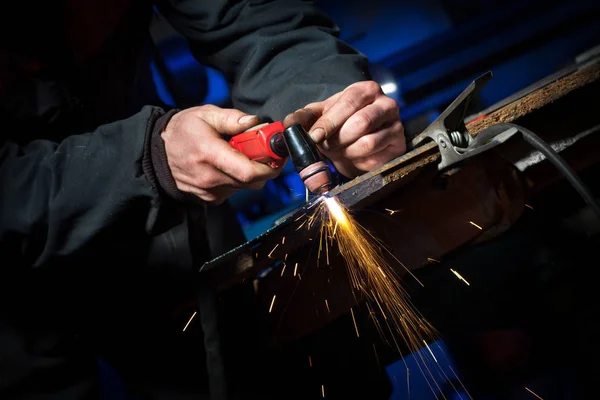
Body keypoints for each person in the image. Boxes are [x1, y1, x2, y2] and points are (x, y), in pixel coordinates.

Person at [0, 1, 405, 399]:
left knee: (255, 368)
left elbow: (250, 14)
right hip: (18, 257)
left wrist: (330, 101)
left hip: (168, 204)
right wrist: (146, 160)